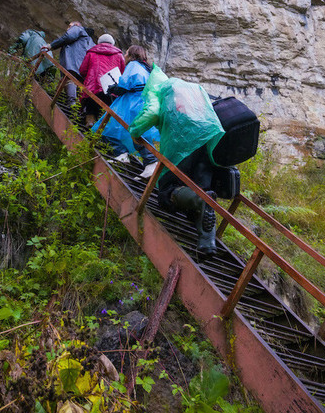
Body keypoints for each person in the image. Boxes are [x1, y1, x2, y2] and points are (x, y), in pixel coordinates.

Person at [129, 66, 225, 254]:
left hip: (182, 143)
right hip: (209, 142)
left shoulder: (161, 90)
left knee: (166, 191)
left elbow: (152, 113)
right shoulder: (194, 89)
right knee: (201, 189)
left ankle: (200, 200)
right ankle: (207, 244)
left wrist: (134, 131)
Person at [91, 45, 160, 177]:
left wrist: (113, 88)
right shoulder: (147, 68)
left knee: (106, 126)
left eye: (126, 53)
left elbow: (124, 84)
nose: (124, 56)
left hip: (131, 103)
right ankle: (150, 163)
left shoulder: (133, 65)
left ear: (131, 55)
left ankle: (122, 154)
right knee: (139, 132)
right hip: (144, 102)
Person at [42, 21, 95, 106]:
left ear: (77, 25)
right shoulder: (90, 41)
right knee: (79, 84)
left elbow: (68, 37)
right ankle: (77, 109)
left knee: (70, 79)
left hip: (74, 61)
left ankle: (72, 103)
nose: (68, 28)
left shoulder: (77, 29)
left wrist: (51, 46)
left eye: (70, 26)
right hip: (84, 66)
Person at [78, 34, 125, 126]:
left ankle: (90, 122)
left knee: (91, 105)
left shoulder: (91, 53)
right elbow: (122, 73)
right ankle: (103, 128)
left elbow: (82, 70)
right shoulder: (119, 55)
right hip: (112, 87)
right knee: (109, 109)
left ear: (99, 42)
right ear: (112, 43)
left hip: (94, 86)